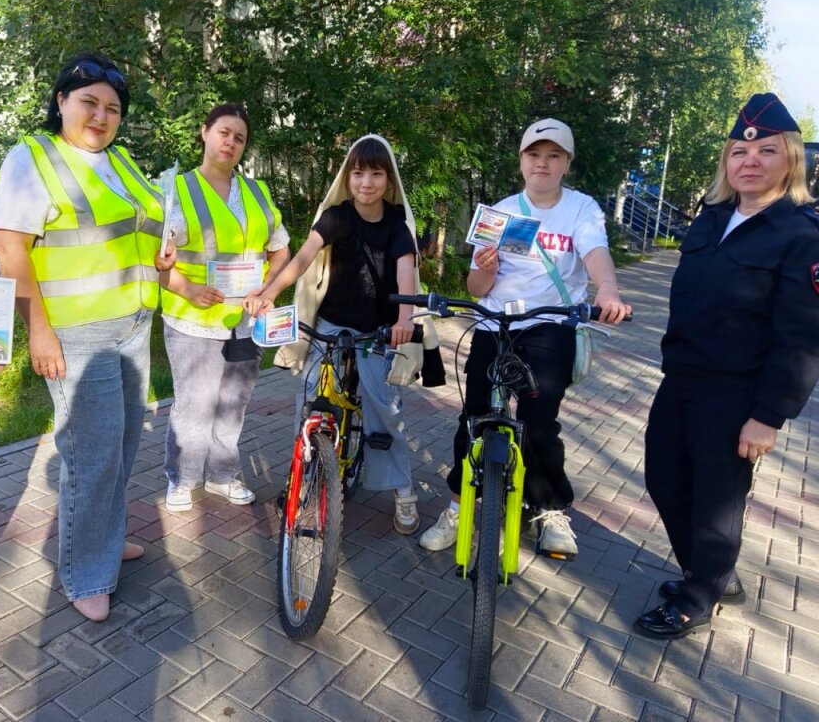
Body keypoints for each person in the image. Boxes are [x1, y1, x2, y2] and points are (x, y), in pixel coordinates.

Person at [0, 53, 171, 622]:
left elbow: (136, 230)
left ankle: (105, 537)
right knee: (91, 455)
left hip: (134, 322)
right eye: (89, 101)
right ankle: (86, 572)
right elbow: (11, 250)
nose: (100, 115)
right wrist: (38, 333)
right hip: (78, 332)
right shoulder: (34, 158)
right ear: (62, 101)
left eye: (112, 107)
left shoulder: (119, 160)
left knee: (121, 446)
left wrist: (161, 254)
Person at [634, 93, 819, 639]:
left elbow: (803, 337)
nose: (750, 160)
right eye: (740, 150)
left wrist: (769, 415)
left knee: (717, 499)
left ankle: (699, 596)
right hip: (682, 379)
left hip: (738, 394)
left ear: (789, 158)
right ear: (727, 161)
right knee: (665, 479)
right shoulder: (711, 219)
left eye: (765, 150)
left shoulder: (801, 236)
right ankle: (714, 573)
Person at [419, 118, 630, 557]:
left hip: (550, 325)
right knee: (473, 418)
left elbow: (595, 254)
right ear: (521, 161)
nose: (543, 163)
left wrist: (607, 288)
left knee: (538, 421)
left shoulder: (581, 209)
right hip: (496, 325)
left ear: (566, 163)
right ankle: (460, 506)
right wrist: (486, 269)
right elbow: (476, 288)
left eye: (554, 156)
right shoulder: (501, 211)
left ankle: (549, 509)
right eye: (535, 155)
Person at [246, 134, 424, 533]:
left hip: (380, 329)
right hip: (332, 323)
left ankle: (402, 490)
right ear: (348, 177)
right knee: (311, 396)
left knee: (384, 407)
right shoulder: (336, 216)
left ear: (389, 180)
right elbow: (304, 257)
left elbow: (406, 271)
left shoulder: (397, 225)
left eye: (376, 174)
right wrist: (268, 292)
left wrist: (404, 318)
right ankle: (305, 474)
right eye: (358, 172)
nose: (366, 182)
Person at [158, 103, 290, 512]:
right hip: (192, 320)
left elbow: (281, 250)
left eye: (239, 137)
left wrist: (268, 290)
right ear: (204, 132)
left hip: (247, 322)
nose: (230, 142)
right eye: (224, 132)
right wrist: (189, 289)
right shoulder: (176, 191)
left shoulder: (256, 191)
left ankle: (222, 476)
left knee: (234, 402)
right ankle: (182, 478)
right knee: (194, 405)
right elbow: (155, 262)